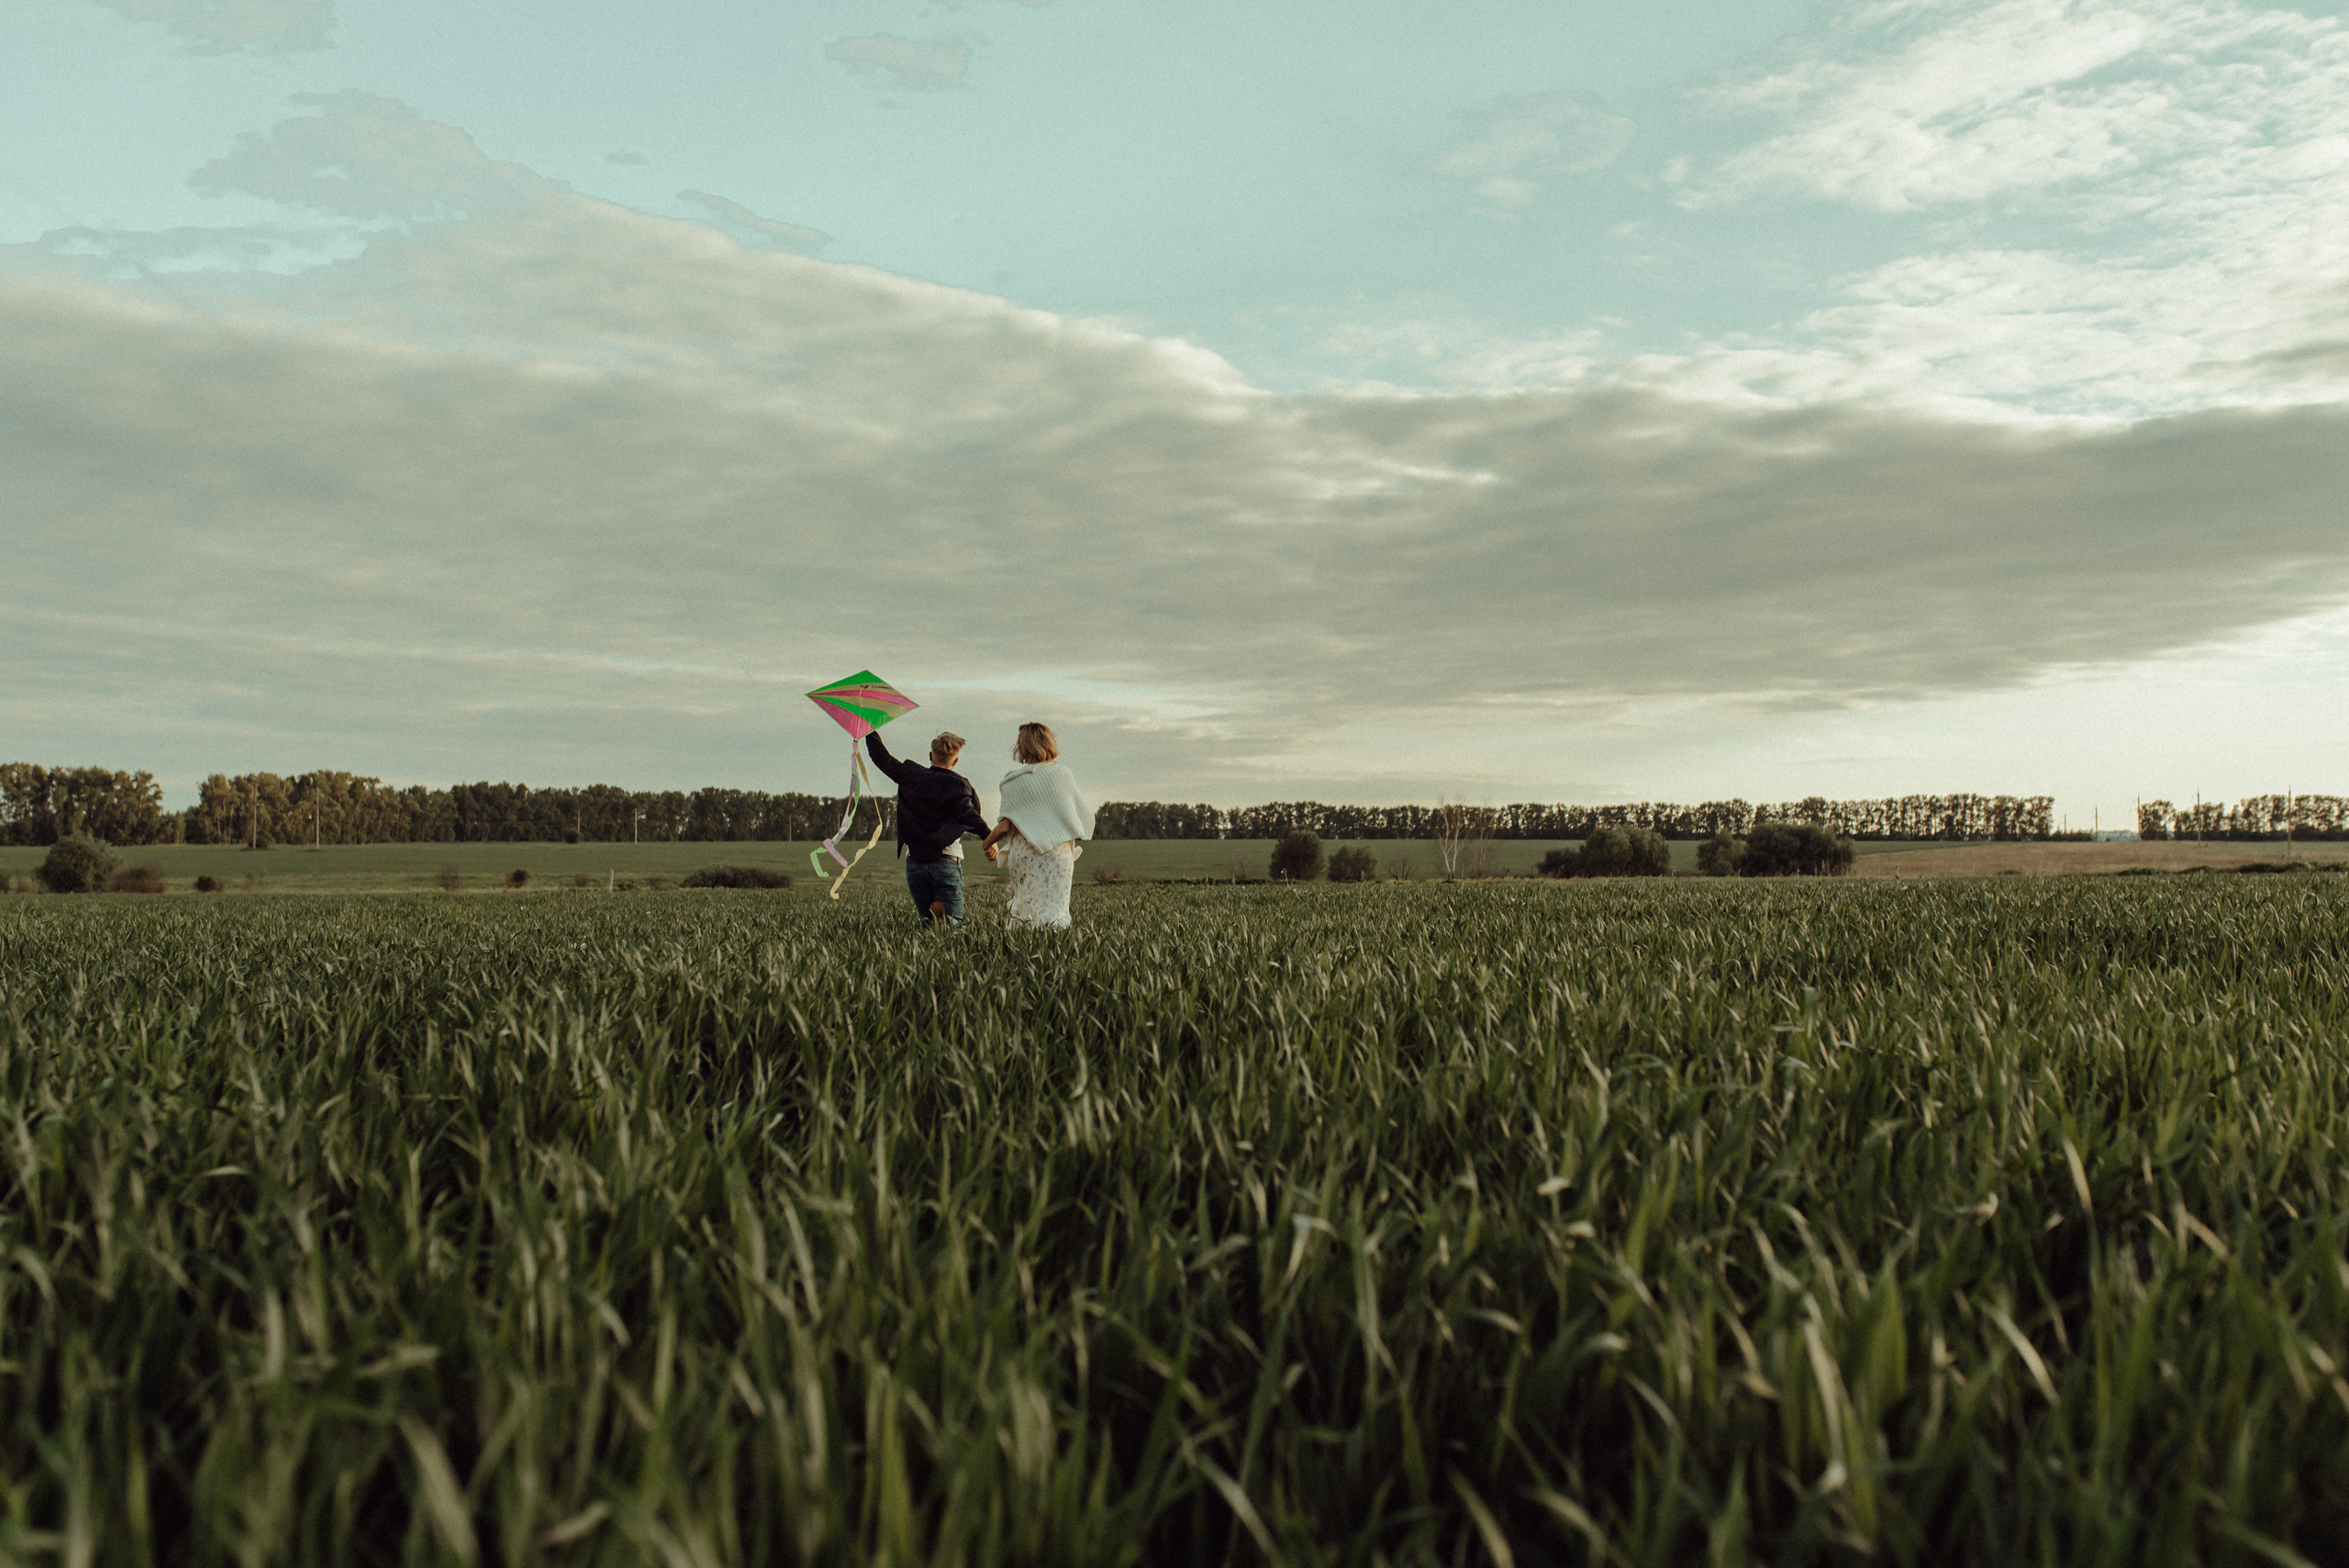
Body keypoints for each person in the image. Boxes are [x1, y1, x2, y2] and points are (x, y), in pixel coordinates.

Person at [864, 728, 991, 925]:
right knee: (952, 925)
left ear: (931, 756)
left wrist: (868, 729)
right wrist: (990, 840)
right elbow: (971, 816)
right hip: (947, 861)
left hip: (915, 863)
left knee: (928, 925)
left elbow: (881, 757)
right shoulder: (960, 785)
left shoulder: (910, 775)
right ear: (955, 761)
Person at [981, 722, 1095, 930]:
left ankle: (1020, 956)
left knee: (1024, 910)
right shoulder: (1063, 774)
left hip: (1025, 855)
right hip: (1058, 855)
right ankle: (1054, 957)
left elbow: (1005, 827)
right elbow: (1082, 814)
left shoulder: (1012, 780)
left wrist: (987, 843)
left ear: (1022, 747)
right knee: (1055, 911)